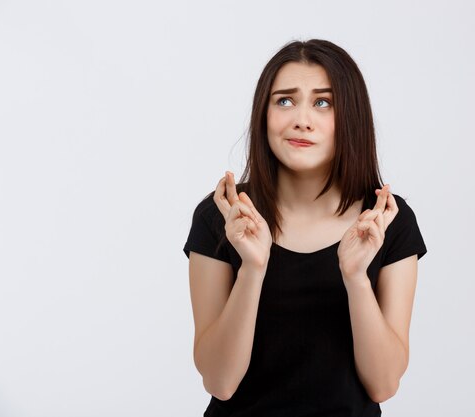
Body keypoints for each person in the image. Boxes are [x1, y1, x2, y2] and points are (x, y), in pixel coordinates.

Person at [183, 38, 427, 417]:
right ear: (263, 114)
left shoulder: (387, 219)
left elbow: (383, 384)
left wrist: (356, 277)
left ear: (351, 116)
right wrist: (253, 269)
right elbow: (220, 382)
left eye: (322, 102)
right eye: (284, 100)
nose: (302, 118)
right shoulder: (223, 216)